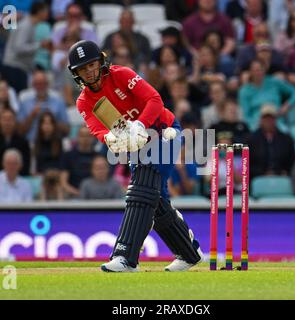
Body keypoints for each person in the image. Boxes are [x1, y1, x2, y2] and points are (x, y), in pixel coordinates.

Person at [68, 40, 203, 272]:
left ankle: (126, 257)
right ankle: (189, 252)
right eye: (83, 68)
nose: (89, 71)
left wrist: (141, 124)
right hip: (135, 145)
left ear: (101, 61)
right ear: (77, 74)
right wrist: (110, 139)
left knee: (141, 191)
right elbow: (97, 128)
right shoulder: (83, 101)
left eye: (92, 65)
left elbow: (155, 100)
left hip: (164, 131)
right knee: (155, 200)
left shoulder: (122, 75)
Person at [238, 59, 295, 131]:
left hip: (276, 119)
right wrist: (255, 123)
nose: (258, 73)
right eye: (255, 70)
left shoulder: (274, 82)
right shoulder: (244, 90)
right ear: (250, 72)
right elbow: (246, 115)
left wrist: (287, 105)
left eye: (260, 70)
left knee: (284, 132)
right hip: (256, 123)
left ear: (265, 70)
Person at [17, 70, 70, 142]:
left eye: (43, 83)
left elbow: (67, 130)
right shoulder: (25, 102)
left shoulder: (58, 101)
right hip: (31, 143)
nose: (40, 86)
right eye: (37, 84)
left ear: (47, 84)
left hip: (54, 144)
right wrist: (32, 115)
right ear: (33, 85)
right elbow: (20, 131)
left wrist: (52, 118)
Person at [248, 104, 295, 179]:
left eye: (271, 118)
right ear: (261, 120)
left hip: (282, 177)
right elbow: (246, 165)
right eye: (265, 118)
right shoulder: (251, 139)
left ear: (276, 119)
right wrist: (263, 173)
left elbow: (292, 162)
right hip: (258, 177)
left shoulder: (287, 139)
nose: (268, 121)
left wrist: (284, 172)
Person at [0, 108, 30, 176]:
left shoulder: (23, 142)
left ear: (15, 121)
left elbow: (25, 166)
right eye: (4, 119)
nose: (7, 123)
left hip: (18, 178)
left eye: (10, 119)